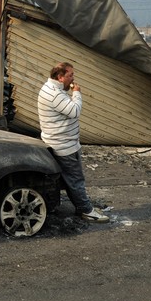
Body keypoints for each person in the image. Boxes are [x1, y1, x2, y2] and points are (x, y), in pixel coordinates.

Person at [38, 62, 109, 222]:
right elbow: (74, 111)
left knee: (70, 179)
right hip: (64, 146)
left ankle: (81, 206)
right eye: (70, 75)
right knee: (75, 179)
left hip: (60, 142)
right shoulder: (55, 94)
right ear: (60, 77)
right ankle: (86, 211)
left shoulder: (50, 88)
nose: (73, 78)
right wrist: (76, 93)